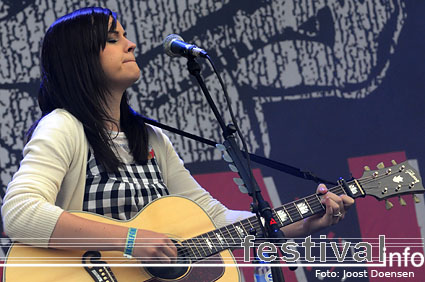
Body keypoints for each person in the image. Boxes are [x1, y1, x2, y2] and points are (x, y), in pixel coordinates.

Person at [1, 7, 354, 265]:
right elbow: (19, 213)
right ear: (79, 59)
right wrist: (131, 240)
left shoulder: (150, 138)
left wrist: (302, 221)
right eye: (114, 39)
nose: (131, 44)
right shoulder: (63, 126)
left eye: (125, 35)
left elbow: (213, 220)